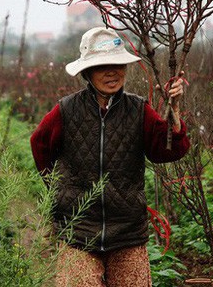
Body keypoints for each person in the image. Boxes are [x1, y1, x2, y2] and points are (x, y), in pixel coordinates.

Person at [30, 27, 190, 287]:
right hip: (79, 232)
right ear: (87, 72)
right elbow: (39, 144)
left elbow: (169, 150)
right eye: (103, 65)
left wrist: (175, 109)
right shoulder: (67, 110)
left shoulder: (138, 110)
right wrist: (57, 191)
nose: (112, 72)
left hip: (127, 232)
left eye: (117, 64)